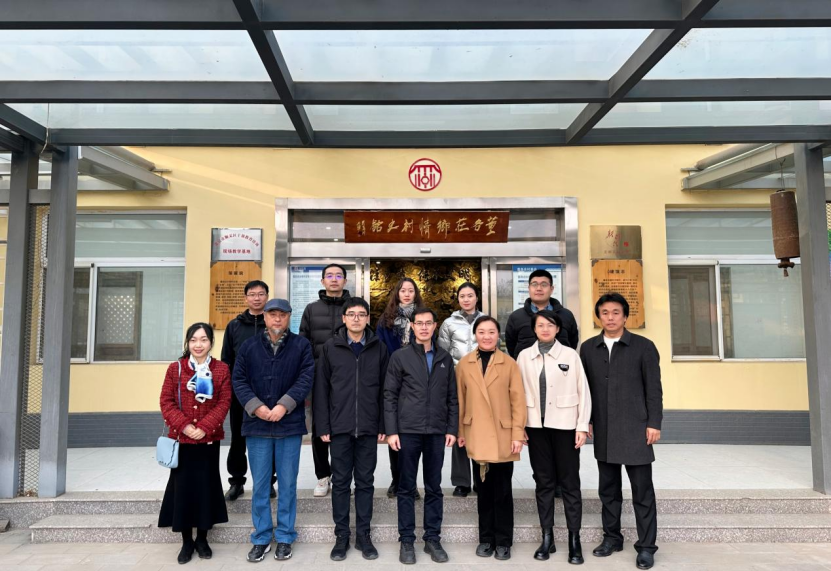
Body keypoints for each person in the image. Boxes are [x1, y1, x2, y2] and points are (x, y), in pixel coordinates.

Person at [579, 293, 663, 571]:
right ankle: (612, 538)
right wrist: (587, 420)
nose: (610, 317)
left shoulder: (643, 346)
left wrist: (654, 423)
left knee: (642, 492)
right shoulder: (588, 348)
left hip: (636, 428)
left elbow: (654, 389)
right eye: (605, 312)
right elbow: (585, 389)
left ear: (626, 317)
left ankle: (646, 547)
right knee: (608, 490)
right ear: (598, 317)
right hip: (604, 429)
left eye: (616, 312)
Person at [232, 299, 315, 563]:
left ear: (289, 317)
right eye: (272, 314)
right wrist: (256, 407)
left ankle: (286, 536)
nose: (277, 319)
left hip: (288, 424)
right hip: (257, 425)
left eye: (282, 314)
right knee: (260, 485)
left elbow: (306, 378)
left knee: (288, 484)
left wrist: (284, 405)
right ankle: (261, 537)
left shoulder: (301, 345)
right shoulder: (249, 346)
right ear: (265, 317)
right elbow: (239, 379)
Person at [314, 297, 388, 561]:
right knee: (341, 483)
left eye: (361, 314)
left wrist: (383, 424)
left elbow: (385, 389)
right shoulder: (330, 347)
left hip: (368, 427)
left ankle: (364, 535)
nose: (357, 318)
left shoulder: (379, 348)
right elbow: (321, 389)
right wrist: (323, 425)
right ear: (344, 318)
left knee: (366, 483)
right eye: (352, 314)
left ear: (368, 318)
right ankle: (342, 535)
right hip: (340, 427)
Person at [385, 307, 458, 565]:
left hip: (436, 432)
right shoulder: (400, 357)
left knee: (434, 487)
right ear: (412, 327)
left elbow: (452, 397)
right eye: (419, 323)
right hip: (408, 431)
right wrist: (392, 431)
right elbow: (389, 395)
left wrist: (452, 428)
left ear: (435, 326)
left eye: (428, 323)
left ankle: (432, 539)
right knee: (406, 487)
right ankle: (406, 540)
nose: (424, 327)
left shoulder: (444, 358)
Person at [517, 310, 591, 565]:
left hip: (565, 426)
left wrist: (582, 426)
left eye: (550, 325)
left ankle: (574, 538)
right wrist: (519, 426)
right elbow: (517, 394)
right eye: (540, 325)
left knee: (570, 483)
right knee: (544, 482)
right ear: (534, 329)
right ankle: (546, 536)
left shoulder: (570, 355)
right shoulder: (524, 356)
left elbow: (584, 391)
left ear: (558, 329)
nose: (545, 329)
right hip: (535, 427)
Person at [159, 322, 231, 564]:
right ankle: (186, 542)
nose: (198, 345)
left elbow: (224, 402)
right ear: (187, 343)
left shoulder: (221, 369)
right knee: (183, 490)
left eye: (203, 340)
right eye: (193, 340)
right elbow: (166, 401)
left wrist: (204, 427)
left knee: (205, 488)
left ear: (211, 342)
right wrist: (186, 426)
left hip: (208, 440)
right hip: (182, 440)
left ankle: (202, 538)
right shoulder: (176, 368)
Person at [456, 315, 526, 561]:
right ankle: (486, 539)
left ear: (499, 335)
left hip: (503, 435)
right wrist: (461, 432)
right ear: (475, 334)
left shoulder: (509, 364)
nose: (486, 336)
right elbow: (460, 401)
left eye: (491, 332)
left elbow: (518, 402)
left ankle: (504, 541)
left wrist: (518, 434)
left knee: (503, 492)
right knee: (483, 491)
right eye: (482, 332)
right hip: (476, 433)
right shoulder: (464, 364)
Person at [300, 263, 353, 498]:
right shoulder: (311, 309)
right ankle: (323, 476)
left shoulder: (354, 307)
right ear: (322, 281)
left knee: (348, 428)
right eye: (329, 275)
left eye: (338, 275)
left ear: (345, 281)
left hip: (348, 378)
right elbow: (303, 344)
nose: (334, 279)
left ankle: (344, 476)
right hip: (318, 378)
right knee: (319, 427)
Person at [221, 279, 274, 502]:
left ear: (267, 297)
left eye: (261, 294)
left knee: (268, 438)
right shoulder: (234, 326)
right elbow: (226, 360)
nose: (257, 298)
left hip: (268, 391)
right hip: (239, 393)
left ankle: (268, 482)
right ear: (246, 298)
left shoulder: (273, 323)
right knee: (238, 438)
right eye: (252, 294)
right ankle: (237, 481)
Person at [376, 277, 423, 499]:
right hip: (393, 375)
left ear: (415, 294)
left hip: (417, 378)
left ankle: (410, 483)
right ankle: (396, 480)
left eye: (410, 290)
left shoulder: (423, 317)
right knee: (394, 432)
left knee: (413, 436)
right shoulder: (386, 318)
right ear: (397, 293)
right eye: (403, 290)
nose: (406, 294)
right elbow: (380, 348)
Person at [437, 282, 485, 498]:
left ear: (477, 298)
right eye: (462, 296)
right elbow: (443, 354)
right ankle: (461, 481)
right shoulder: (449, 323)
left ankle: (481, 478)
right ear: (458, 299)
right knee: (459, 430)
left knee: (481, 430)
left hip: (483, 382)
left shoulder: (485, 320)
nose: (466, 299)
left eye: (470, 295)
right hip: (457, 381)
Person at [505, 269, 579, 358]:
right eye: (534, 284)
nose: (539, 288)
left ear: (551, 289)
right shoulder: (516, 317)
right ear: (529, 288)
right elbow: (511, 346)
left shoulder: (566, 315)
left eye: (544, 285)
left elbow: (572, 343)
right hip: (526, 365)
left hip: (561, 365)